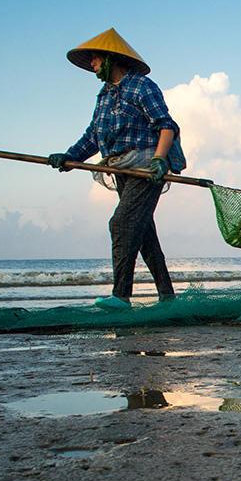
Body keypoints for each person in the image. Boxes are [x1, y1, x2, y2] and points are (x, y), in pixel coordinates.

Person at [48, 28, 186, 309]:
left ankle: (121, 295)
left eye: (96, 58)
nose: (92, 64)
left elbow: (166, 126)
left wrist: (160, 160)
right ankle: (168, 297)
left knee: (121, 224)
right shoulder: (104, 95)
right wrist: (69, 157)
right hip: (122, 169)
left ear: (111, 58)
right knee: (143, 233)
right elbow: (93, 136)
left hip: (146, 168)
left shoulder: (142, 86)